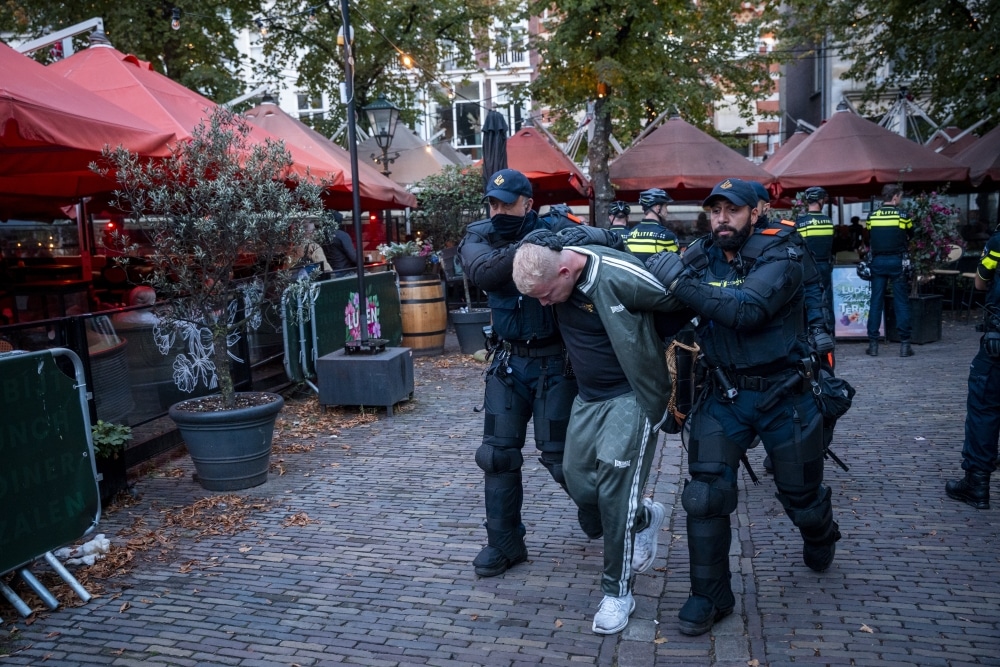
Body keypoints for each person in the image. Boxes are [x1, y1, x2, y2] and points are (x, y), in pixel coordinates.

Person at [646, 178, 841, 637]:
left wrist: (678, 279)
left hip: (784, 393)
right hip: (723, 394)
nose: (721, 219)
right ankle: (711, 596)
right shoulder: (703, 251)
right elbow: (663, 303)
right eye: (714, 210)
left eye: (731, 211)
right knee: (704, 495)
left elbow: (747, 310)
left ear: (757, 211)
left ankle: (820, 532)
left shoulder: (784, 253)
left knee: (801, 498)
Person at [458, 168, 620, 579]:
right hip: (509, 363)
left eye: (506, 203)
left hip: (556, 364)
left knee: (561, 458)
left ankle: (599, 508)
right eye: (492, 203)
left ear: (527, 203)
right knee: (496, 456)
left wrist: (567, 239)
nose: (497, 211)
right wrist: (531, 245)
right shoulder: (480, 234)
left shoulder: (555, 224)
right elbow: (482, 272)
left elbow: (611, 240)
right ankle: (504, 543)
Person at [511, 237, 672, 635]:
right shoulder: (554, 271)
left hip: (630, 397)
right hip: (587, 398)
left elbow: (674, 301)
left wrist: (658, 361)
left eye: (547, 295)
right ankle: (646, 515)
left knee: (615, 497)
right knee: (582, 486)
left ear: (565, 272)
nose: (545, 305)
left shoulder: (616, 274)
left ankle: (618, 593)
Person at [945, 229, 1000, 510]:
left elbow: (980, 283)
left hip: (997, 345)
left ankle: (977, 485)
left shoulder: (998, 242)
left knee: (984, 406)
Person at [866, 184, 914, 357]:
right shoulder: (902, 216)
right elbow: (911, 234)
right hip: (897, 261)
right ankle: (905, 345)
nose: (900, 200)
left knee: (876, 301)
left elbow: (870, 235)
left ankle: (873, 345)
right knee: (901, 301)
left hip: (878, 261)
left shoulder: (872, 216)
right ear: (894, 197)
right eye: (900, 197)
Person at [796, 187, 835, 333]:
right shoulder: (828, 222)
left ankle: (810, 330)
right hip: (824, 264)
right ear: (820, 200)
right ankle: (829, 331)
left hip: (806, 267)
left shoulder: (800, 223)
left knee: (808, 299)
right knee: (827, 299)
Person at [624, 188, 679, 262]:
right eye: (665, 206)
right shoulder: (666, 235)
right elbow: (677, 262)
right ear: (658, 207)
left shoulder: (631, 233)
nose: (667, 210)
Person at [321, 211, 359, 277]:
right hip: (343, 272)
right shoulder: (342, 235)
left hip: (327, 272)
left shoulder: (321, 236)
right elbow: (353, 257)